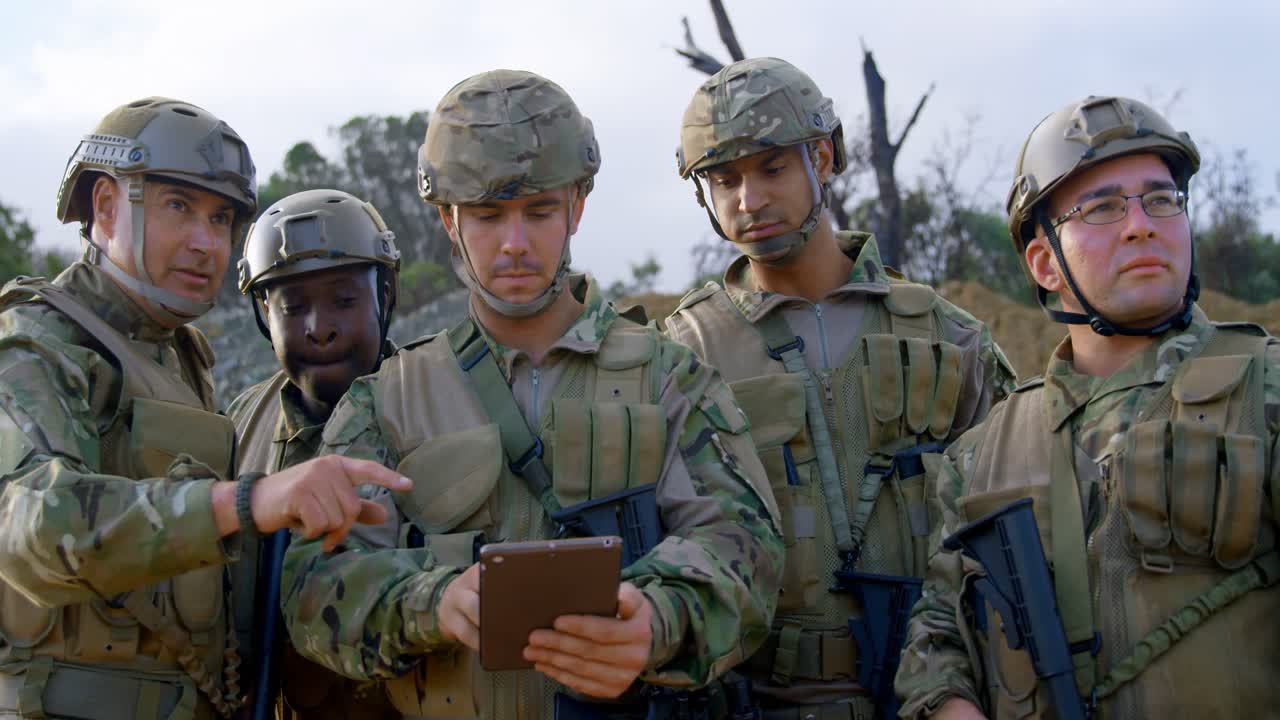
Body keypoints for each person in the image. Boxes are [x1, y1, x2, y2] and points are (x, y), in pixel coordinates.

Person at [279, 69, 784, 719]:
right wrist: (431, 603)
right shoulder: (386, 402)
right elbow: (314, 585)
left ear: (577, 206)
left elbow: (747, 547)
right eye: (488, 215)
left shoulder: (671, 380)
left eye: (540, 212)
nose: (515, 244)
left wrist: (658, 617)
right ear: (448, 218)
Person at [0, 97, 409, 720]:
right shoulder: (35, 343)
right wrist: (247, 502)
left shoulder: (172, 358)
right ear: (105, 206)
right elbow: (30, 526)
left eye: (220, 219)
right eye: (177, 207)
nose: (205, 243)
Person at [895, 96, 1280, 719]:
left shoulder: (1266, 389)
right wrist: (948, 703)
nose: (1141, 225)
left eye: (1162, 200)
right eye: (1103, 208)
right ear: (1045, 263)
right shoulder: (982, 453)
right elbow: (938, 636)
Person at [664, 57, 1016, 718]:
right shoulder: (684, 356)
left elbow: (1013, 527)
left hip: (942, 694)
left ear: (822, 158)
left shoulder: (949, 338)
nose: (749, 200)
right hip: (758, 699)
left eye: (772, 168)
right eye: (724, 179)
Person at [227, 188, 403, 720]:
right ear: (264, 313)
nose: (319, 327)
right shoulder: (240, 426)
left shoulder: (436, 403)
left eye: (344, 301)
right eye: (293, 307)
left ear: (384, 295)